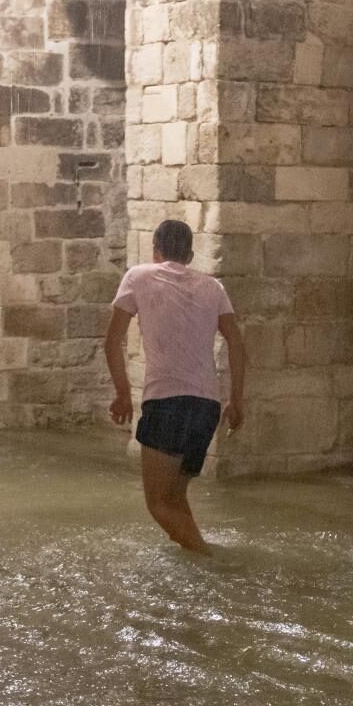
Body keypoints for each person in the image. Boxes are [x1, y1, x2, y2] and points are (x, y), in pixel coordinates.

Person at [104, 220, 246, 555]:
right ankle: (197, 562)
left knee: (158, 504)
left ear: (156, 250)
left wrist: (123, 394)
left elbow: (112, 342)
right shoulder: (213, 287)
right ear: (190, 255)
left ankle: (212, 562)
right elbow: (237, 345)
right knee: (175, 498)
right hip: (206, 406)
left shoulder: (138, 276)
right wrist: (235, 400)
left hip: (167, 402)